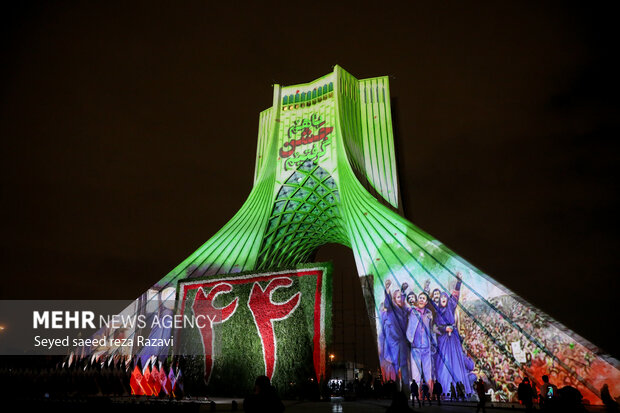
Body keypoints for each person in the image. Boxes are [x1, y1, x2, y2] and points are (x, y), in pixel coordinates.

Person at [432, 272, 474, 395]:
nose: (444, 299)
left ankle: (460, 389)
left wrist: (459, 282)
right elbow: (436, 327)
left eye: (445, 297)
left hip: (453, 340)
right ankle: (446, 390)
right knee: (443, 364)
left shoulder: (451, 306)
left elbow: (455, 295)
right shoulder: (437, 312)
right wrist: (445, 329)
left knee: (456, 362)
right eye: (442, 298)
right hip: (444, 341)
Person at [383, 280, 412, 389]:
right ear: (394, 299)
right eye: (398, 297)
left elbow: (404, 302)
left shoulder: (404, 310)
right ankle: (395, 388)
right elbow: (387, 303)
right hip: (394, 342)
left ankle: (406, 389)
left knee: (404, 365)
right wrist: (387, 290)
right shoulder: (391, 309)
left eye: (401, 297)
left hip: (403, 342)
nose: (400, 299)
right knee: (395, 365)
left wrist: (403, 290)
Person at [406, 291, 434, 387]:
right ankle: (415, 393)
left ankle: (429, 393)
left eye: (423, 298)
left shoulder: (429, 314)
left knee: (428, 372)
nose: (421, 300)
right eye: (420, 298)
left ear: (426, 302)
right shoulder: (412, 311)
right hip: (415, 346)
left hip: (426, 346)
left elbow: (431, 328)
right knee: (415, 372)